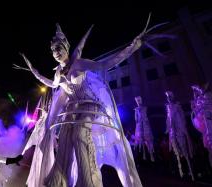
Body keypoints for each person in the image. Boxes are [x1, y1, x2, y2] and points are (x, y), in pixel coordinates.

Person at [16, 16, 170, 187]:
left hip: (89, 105)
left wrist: (132, 47)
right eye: (53, 50)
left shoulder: (80, 63)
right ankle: (59, 180)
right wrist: (32, 69)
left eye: (58, 48)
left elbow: (107, 64)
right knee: (65, 139)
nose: (56, 52)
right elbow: (51, 84)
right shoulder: (58, 73)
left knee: (79, 135)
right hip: (72, 108)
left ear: (66, 47)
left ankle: (88, 180)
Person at [165, 91, 194, 181]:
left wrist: (183, 128)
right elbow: (168, 119)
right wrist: (168, 128)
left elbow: (181, 116)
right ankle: (181, 172)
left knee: (184, 151)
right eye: (167, 97)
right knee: (176, 153)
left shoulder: (177, 106)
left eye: (170, 96)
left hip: (179, 129)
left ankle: (190, 171)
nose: (168, 98)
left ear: (172, 97)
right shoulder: (168, 107)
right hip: (172, 131)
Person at [191, 84, 212, 167]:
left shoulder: (206, 98)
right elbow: (196, 114)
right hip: (206, 129)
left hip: (208, 126)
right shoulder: (199, 104)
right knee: (210, 151)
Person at [134, 96, 155, 162]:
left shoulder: (144, 108)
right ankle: (143, 153)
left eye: (139, 101)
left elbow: (147, 117)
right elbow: (136, 119)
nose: (138, 102)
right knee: (139, 138)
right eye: (137, 101)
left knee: (148, 137)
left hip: (145, 124)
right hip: (140, 125)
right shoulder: (136, 109)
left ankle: (151, 154)